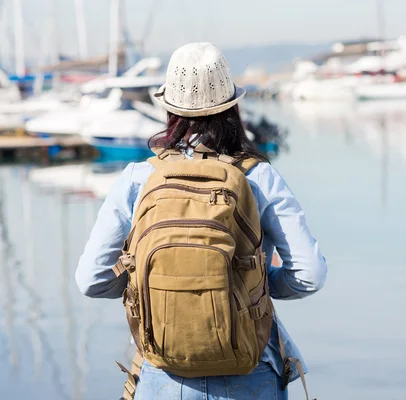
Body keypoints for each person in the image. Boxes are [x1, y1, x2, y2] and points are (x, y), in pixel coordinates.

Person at [75, 43, 327, 400]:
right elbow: (309, 275)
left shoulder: (136, 179)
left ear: (169, 110)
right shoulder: (261, 178)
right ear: (232, 107)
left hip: (163, 371)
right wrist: (252, 283)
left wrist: (153, 283)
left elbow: (91, 280)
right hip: (250, 368)